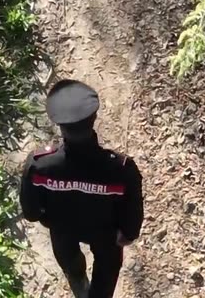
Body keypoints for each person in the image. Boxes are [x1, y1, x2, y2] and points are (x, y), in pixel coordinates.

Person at [19, 79, 144, 298]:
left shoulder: (40, 165)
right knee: (104, 282)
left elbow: (31, 212)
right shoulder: (121, 170)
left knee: (72, 268)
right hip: (106, 237)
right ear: (94, 118)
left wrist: (52, 219)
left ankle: (79, 285)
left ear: (59, 122)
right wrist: (126, 235)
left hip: (63, 230)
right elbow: (131, 226)